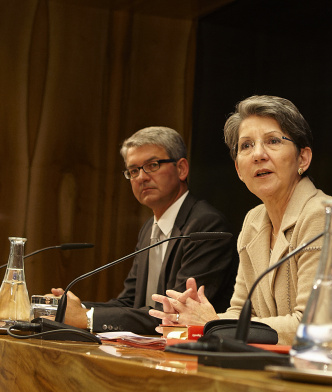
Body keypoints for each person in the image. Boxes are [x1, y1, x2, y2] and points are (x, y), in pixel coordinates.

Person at [150, 95, 332, 344]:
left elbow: (312, 325)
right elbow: (240, 312)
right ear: (239, 170)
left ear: (303, 158)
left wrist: (211, 324)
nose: (258, 154)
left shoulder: (324, 216)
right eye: (246, 146)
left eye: (272, 141)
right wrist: (189, 321)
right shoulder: (254, 221)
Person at [51, 127, 239, 335]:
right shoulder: (150, 228)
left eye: (152, 165)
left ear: (181, 169)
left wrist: (85, 318)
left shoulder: (205, 225)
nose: (141, 177)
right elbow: (130, 301)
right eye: (133, 170)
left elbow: (175, 312)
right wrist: (75, 309)